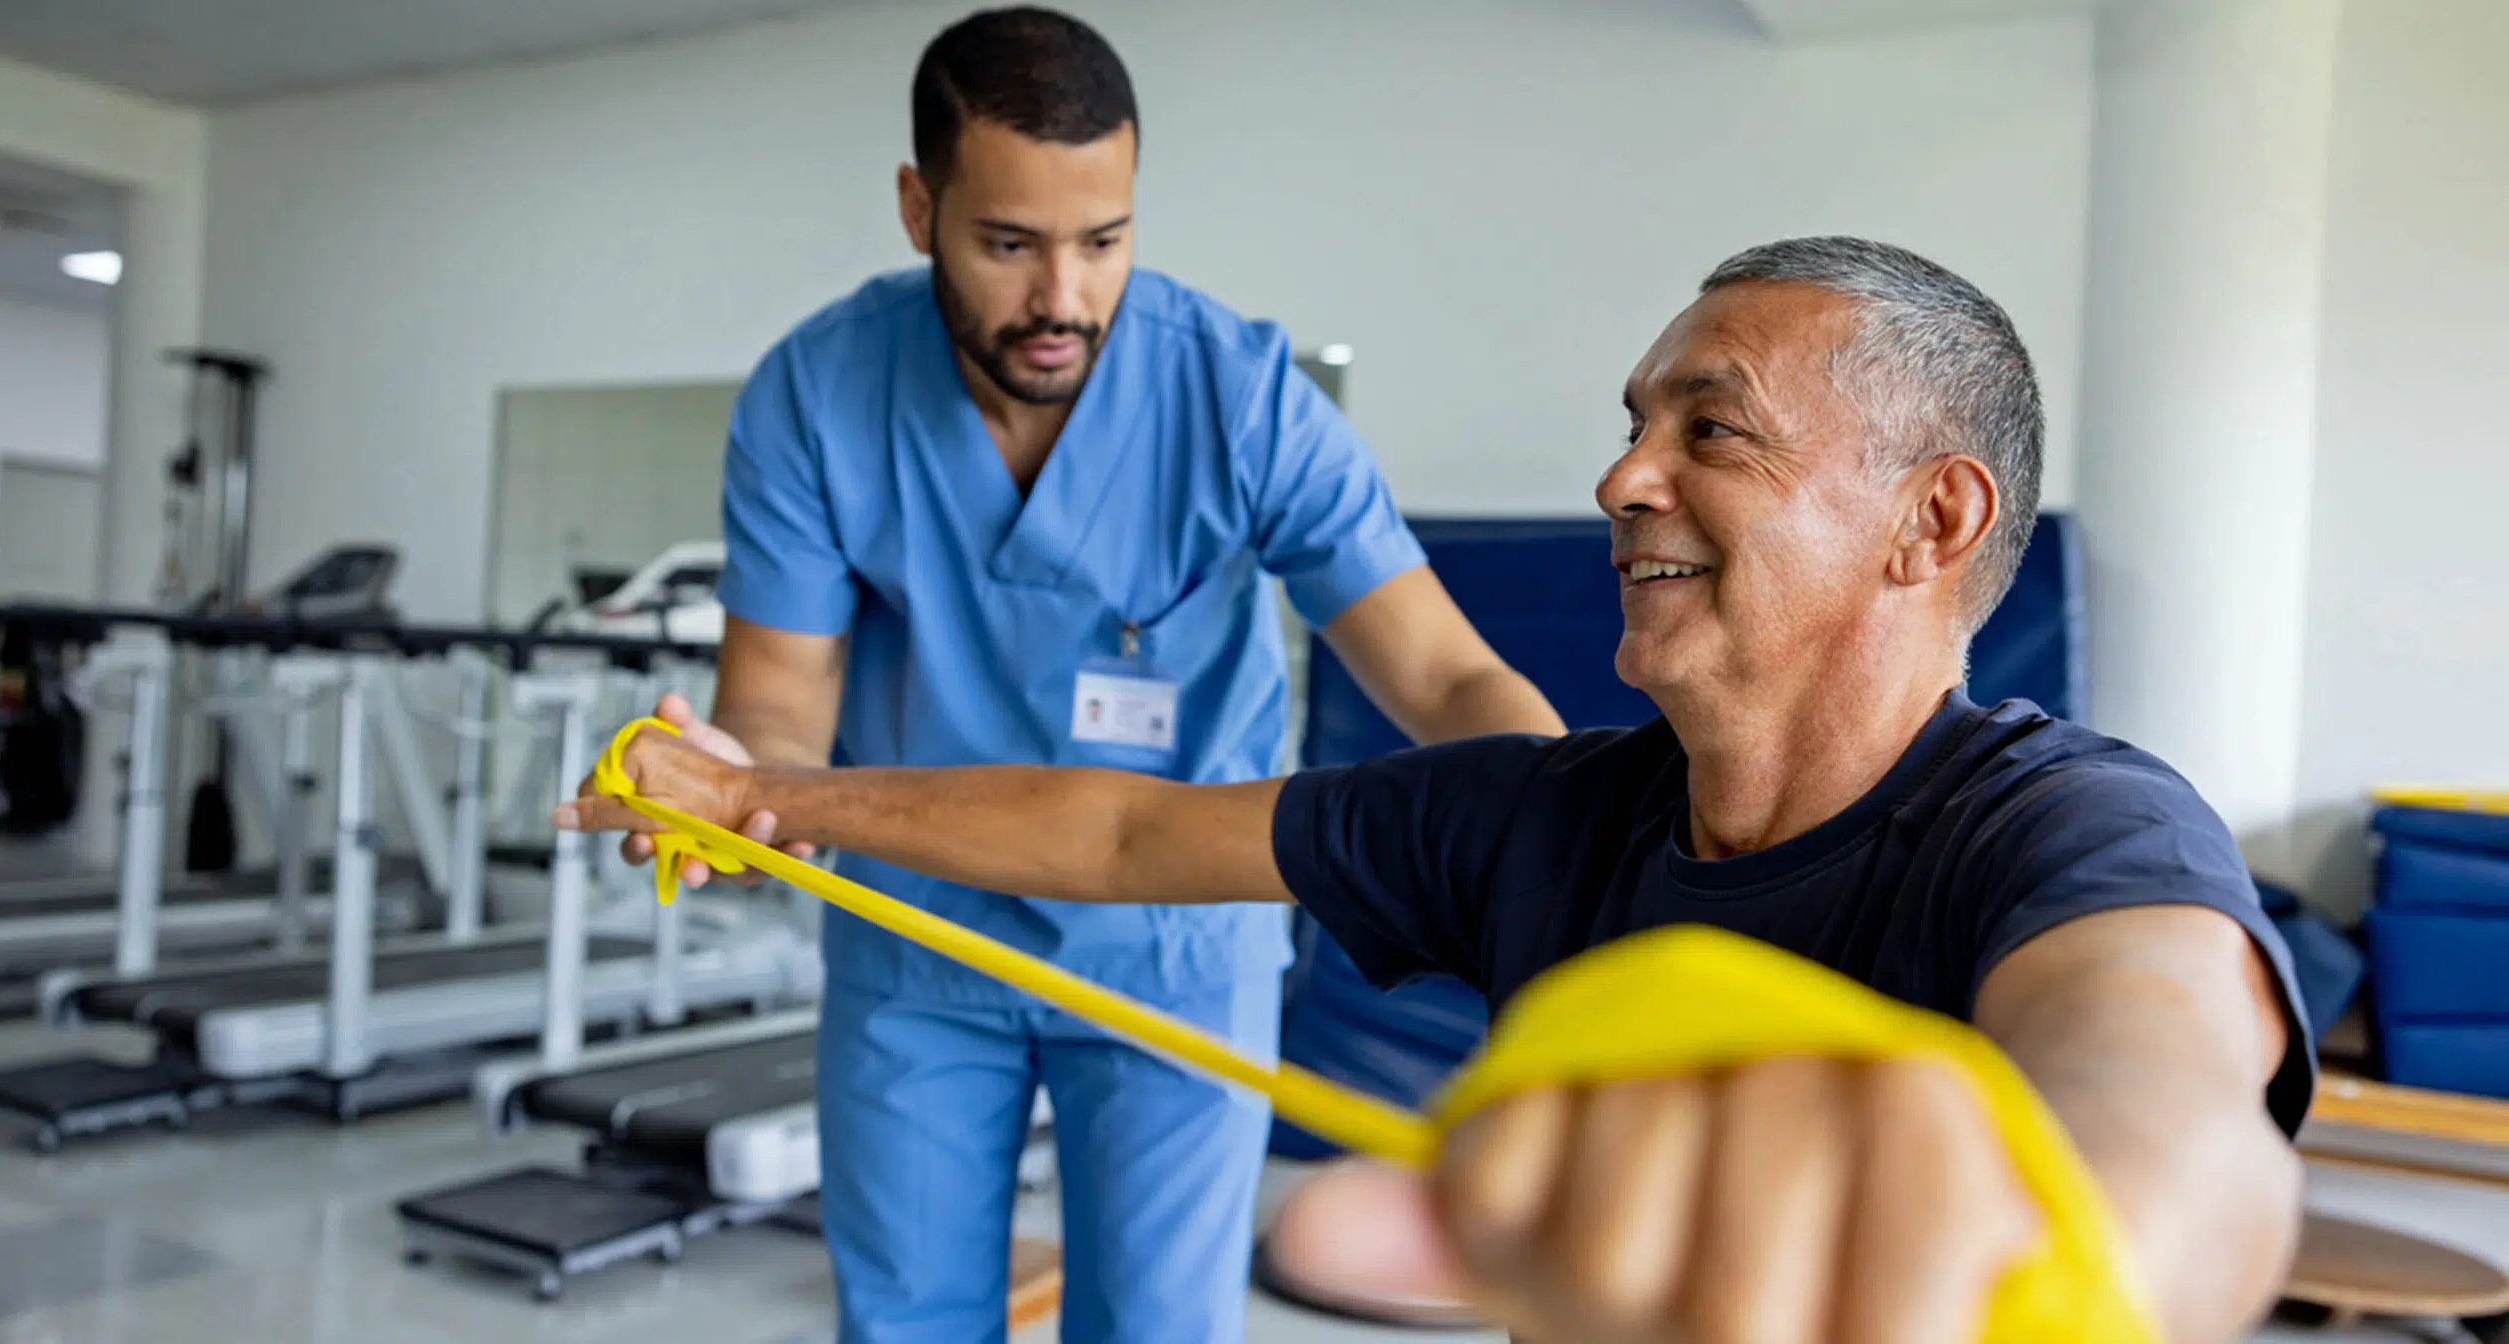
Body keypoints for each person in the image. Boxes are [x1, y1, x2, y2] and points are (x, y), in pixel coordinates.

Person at [570, 235, 2316, 1343]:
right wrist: (761, 797)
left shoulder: (2072, 820)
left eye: (1712, 430)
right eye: (1635, 422)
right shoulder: (1546, 816)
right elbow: (1114, 826)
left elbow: (2166, 1093)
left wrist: (2085, 1230)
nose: (1622, 473)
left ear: (1931, 524)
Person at [665, 7, 1565, 1340]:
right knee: (907, 1320)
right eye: (1008, 245)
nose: (1063, 300)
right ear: (920, 209)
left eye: (1104, 242)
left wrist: (1571, 861)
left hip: (1175, 947)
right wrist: (736, 787)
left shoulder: (1241, 398)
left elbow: (1442, 679)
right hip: (923, 939)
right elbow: (779, 706)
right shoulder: (818, 393)